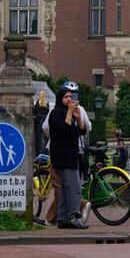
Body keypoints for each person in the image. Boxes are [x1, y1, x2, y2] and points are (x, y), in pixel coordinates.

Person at [38, 84, 92, 227]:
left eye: (71, 97)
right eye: (66, 97)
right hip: (62, 156)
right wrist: (69, 112)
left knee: (63, 189)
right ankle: (73, 217)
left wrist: (78, 117)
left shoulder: (72, 113)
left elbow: (82, 131)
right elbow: (63, 128)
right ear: (60, 98)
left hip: (71, 155)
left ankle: (62, 219)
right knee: (74, 188)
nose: (69, 99)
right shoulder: (55, 113)